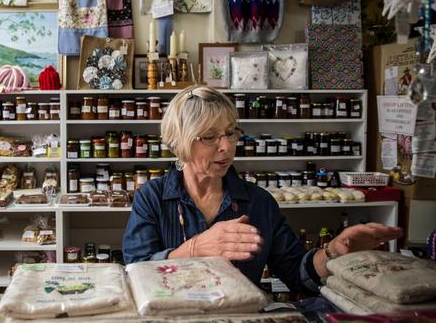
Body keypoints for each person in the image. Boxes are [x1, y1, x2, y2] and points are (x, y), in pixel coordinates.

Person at [122, 85, 403, 294]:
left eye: (231, 133)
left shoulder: (257, 202)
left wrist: (333, 252)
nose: (226, 146)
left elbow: (296, 273)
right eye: (210, 136)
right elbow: (136, 271)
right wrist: (196, 248)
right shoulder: (154, 197)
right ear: (179, 141)